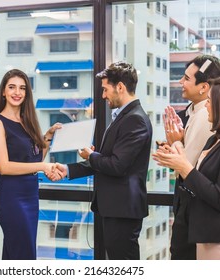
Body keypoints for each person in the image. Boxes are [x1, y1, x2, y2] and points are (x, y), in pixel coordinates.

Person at [51, 61, 153, 260]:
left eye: (106, 89)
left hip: (123, 210)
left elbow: (116, 165)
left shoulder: (135, 119)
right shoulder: (125, 117)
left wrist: (91, 156)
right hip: (117, 209)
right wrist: (68, 169)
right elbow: (105, 161)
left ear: (120, 87)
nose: (103, 95)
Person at [153, 77, 220, 259]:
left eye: (209, 101)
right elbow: (201, 179)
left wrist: (184, 167)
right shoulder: (217, 139)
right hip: (207, 237)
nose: (206, 106)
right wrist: (177, 145)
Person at [0, 69, 62, 260]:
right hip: (11, 197)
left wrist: (48, 136)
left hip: (30, 196)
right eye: (12, 87)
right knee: (24, 256)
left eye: (22, 88)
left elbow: (35, 158)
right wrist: (42, 168)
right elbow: (4, 166)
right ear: (3, 91)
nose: (17, 92)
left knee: (16, 255)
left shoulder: (27, 121)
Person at [163, 55, 220, 260]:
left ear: (204, 87)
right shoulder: (192, 113)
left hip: (195, 209)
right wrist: (175, 144)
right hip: (188, 207)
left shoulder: (204, 117)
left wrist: (176, 143)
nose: (180, 82)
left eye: (186, 78)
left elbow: (187, 167)